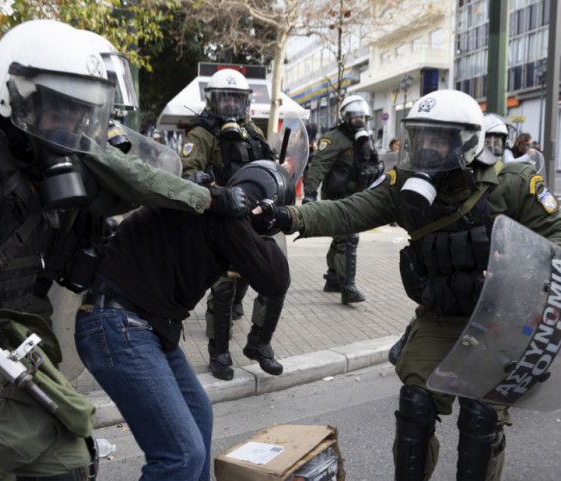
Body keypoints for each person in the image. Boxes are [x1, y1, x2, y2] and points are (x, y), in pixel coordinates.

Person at [0, 20, 247, 481]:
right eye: (59, 110)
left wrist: (204, 194)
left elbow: (130, 185)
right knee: (68, 464)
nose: (72, 125)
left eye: (81, 113)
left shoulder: (38, 160)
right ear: (18, 96)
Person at [256, 89, 561, 481]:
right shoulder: (403, 184)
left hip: (500, 322)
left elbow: (555, 238)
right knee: (415, 404)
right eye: (421, 136)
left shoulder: (513, 181)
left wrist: (517, 267)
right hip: (442, 314)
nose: (428, 147)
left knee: (482, 415)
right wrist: (289, 216)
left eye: (439, 138)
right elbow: (349, 211)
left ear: (466, 140)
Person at [75, 160, 291, 480]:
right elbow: (275, 279)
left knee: (197, 413)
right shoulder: (226, 216)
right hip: (119, 324)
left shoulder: (204, 197)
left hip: (141, 323)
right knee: (180, 455)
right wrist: (262, 230)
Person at [180, 68, 285, 380]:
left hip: (257, 216)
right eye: (223, 97)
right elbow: (187, 173)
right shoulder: (201, 134)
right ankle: (219, 352)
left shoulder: (253, 132)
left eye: (235, 98)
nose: (229, 104)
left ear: (245, 101)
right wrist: (200, 181)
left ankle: (259, 343)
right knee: (223, 289)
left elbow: (269, 169)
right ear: (212, 100)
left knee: (274, 276)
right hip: (222, 219)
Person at [301, 95, 382, 304]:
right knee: (349, 238)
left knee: (340, 238)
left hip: (358, 194)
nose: (359, 120)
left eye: (362, 116)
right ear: (345, 116)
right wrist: (310, 194)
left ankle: (334, 279)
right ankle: (348, 287)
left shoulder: (364, 138)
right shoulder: (334, 138)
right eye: (354, 116)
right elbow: (319, 165)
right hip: (338, 195)